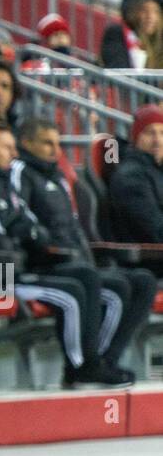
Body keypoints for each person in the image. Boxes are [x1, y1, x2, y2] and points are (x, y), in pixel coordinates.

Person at [0, 119, 127, 389]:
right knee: (70, 293)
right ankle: (80, 367)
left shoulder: (3, 183)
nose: (14, 154)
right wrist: (29, 251)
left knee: (90, 278)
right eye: (7, 148)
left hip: (19, 270)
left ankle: (95, 363)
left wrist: (41, 247)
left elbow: (30, 226)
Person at [12, 117, 150, 382]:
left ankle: (105, 361)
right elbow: (23, 222)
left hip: (74, 260)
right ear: (26, 143)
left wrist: (86, 255)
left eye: (57, 143)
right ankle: (84, 365)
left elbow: (74, 227)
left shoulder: (59, 177)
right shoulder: (20, 173)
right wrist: (50, 250)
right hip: (45, 263)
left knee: (142, 281)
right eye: (46, 143)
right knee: (102, 283)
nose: (55, 150)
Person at [109, 105, 163, 266]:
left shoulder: (157, 168)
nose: (157, 140)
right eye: (149, 133)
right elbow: (154, 230)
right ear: (136, 137)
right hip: (149, 260)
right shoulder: (131, 176)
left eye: (162, 132)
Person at [101, 0, 163, 71]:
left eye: (156, 11)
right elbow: (119, 71)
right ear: (130, 12)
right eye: (144, 10)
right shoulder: (116, 34)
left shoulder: (159, 42)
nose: (150, 17)